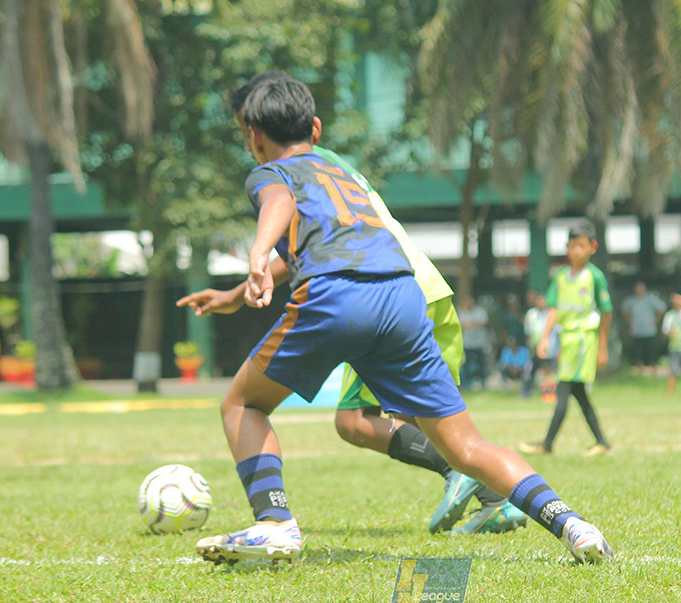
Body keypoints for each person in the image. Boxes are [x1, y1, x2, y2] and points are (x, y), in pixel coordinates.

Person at [188, 75, 611, 564]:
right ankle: (573, 525)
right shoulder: (344, 177)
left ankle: (274, 523)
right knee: (465, 446)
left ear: (255, 138)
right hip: (402, 298)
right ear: (317, 129)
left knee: (242, 405)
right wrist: (239, 295)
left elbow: (280, 206)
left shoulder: (269, 174)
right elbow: (319, 240)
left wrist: (257, 253)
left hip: (335, 297)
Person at [519, 222, 613, 457]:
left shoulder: (594, 277)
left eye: (582, 246)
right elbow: (553, 309)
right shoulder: (561, 276)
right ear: (566, 247)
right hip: (567, 338)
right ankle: (602, 443)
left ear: (593, 247)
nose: (577, 251)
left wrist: (603, 346)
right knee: (579, 393)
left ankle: (547, 444)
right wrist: (544, 338)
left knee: (563, 388)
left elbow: (607, 311)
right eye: (573, 246)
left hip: (583, 339)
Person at [621, 281, 666, 374]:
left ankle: (654, 366)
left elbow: (662, 308)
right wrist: (629, 321)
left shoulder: (650, 299)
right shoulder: (631, 301)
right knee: (638, 350)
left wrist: (656, 320)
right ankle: (639, 367)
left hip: (649, 329)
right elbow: (624, 310)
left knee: (651, 349)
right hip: (636, 330)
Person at [524, 289, 558, 401]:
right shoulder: (531, 314)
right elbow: (528, 333)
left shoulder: (552, 313)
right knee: (530, 372)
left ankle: (553, 393)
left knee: (553, 373)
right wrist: (530, 349)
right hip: (535, 349)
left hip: (551, 349)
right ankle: (526, 393)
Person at [457, 295, 491, 390]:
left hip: (479, 343)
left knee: (481, 364)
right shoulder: (462, 312)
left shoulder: (480, 311)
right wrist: (473, 324)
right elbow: (461, 325)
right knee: (466, 365)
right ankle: (466, 384)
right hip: (467, 343)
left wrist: (470, 325)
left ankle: (483, 384)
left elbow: (483, 322)